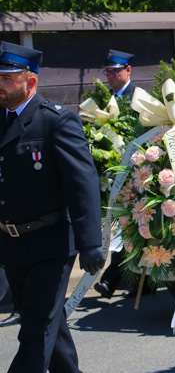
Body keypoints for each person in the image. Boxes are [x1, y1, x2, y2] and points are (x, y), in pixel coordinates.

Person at [0, 42, 105, 372]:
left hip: (51, 243)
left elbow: (83, 184)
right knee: (51, 329)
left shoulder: (56, 122)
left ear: (30, 81)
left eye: (7, 78)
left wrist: (91, 243)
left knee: (35, 329)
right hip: (12, 243)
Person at [94, 48, 138, 299]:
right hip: (109, 174)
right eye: (107, 71)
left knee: (132, 228)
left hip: (134, 173)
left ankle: (111, 279)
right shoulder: (101, 100)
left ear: (128, 70)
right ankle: (142, 281)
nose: (111, 75)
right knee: (125, 228)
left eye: (116, 70)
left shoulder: (139, 97)